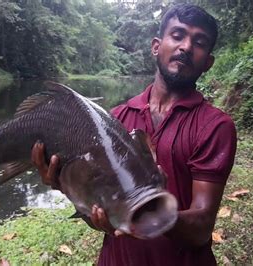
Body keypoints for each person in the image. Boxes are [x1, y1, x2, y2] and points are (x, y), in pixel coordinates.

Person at [31, 4, 237, 266]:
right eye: (177, 35)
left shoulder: (215, 125)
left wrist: (148, 208)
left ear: (207, 62)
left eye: (199, 42)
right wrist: (67, 186)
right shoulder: (115, 118)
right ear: (156, 45)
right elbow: (100, 220)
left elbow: (201, 228)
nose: (185, 46)